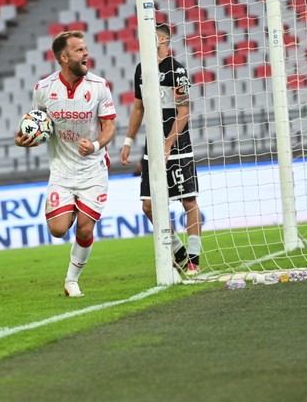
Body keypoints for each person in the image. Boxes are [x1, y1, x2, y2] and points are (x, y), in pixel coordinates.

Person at [14, 31, 117, 297]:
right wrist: (27, 139)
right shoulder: (44, 89)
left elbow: (109, 127)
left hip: (93, 168)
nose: (86, 54)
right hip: (61, 169)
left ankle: (72, 280)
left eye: (85, 49)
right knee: (58, 230)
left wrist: (95, 145)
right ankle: (70, 207)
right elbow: (39, 126)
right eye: (79, 50)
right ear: (64, 57)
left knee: (85, 227)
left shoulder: (99, 86)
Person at [119, 23, 203, 275]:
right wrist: (128, 141)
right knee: (148, 206)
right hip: (151, 147)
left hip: (177, 145)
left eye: (152, 36)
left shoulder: (177, 71)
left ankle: (194, 260)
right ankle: (179, 251)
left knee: (188, 201)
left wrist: (168, 143)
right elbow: (138, 108)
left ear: (164, 39)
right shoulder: (141, 70)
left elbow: (184, 112)